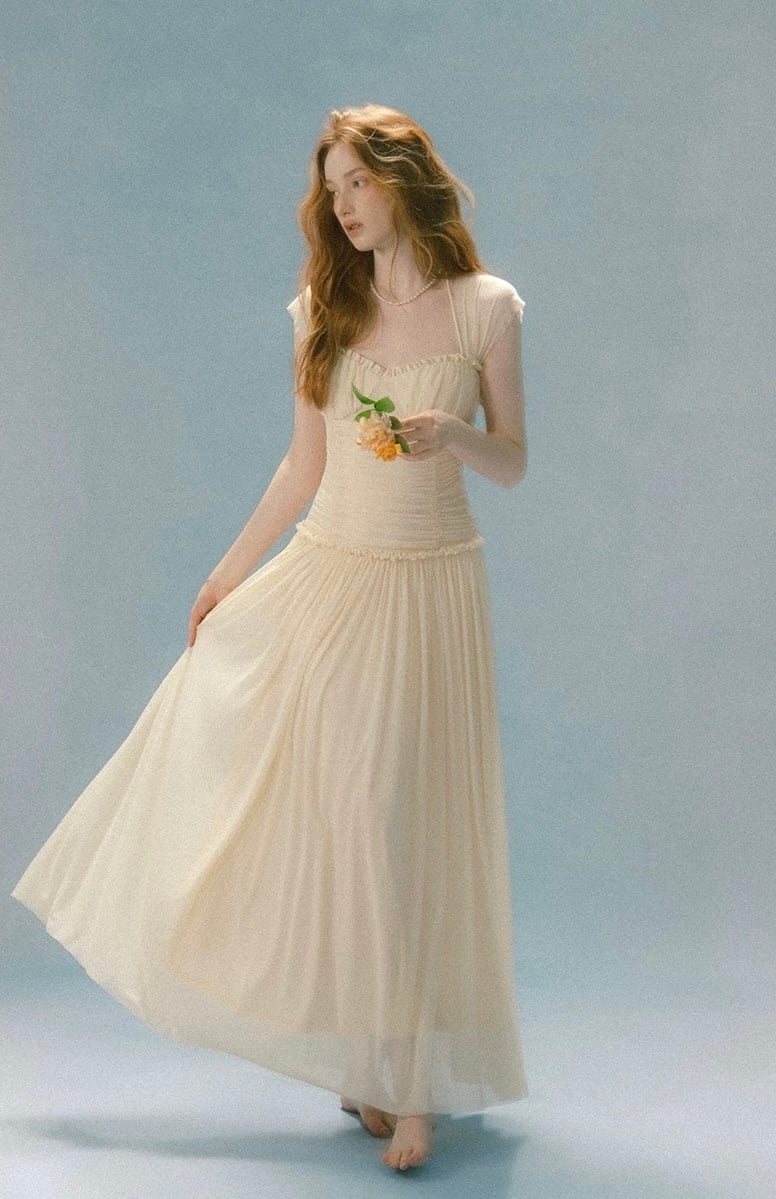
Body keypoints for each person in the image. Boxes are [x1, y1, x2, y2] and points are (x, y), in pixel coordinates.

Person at [12, 103, 529, 1173]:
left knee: (405, 827)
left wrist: (454, 435)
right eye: (331, 188)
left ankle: (406, 1078)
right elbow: (302, 467)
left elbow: (515, 460)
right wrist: (225, 573)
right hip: (331, 580)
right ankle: (374, 1061)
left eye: (358, 182)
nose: (342, 206)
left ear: (404, 180)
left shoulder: (488, 307)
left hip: (431, 589)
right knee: (352, 821)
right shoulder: (322, 312)